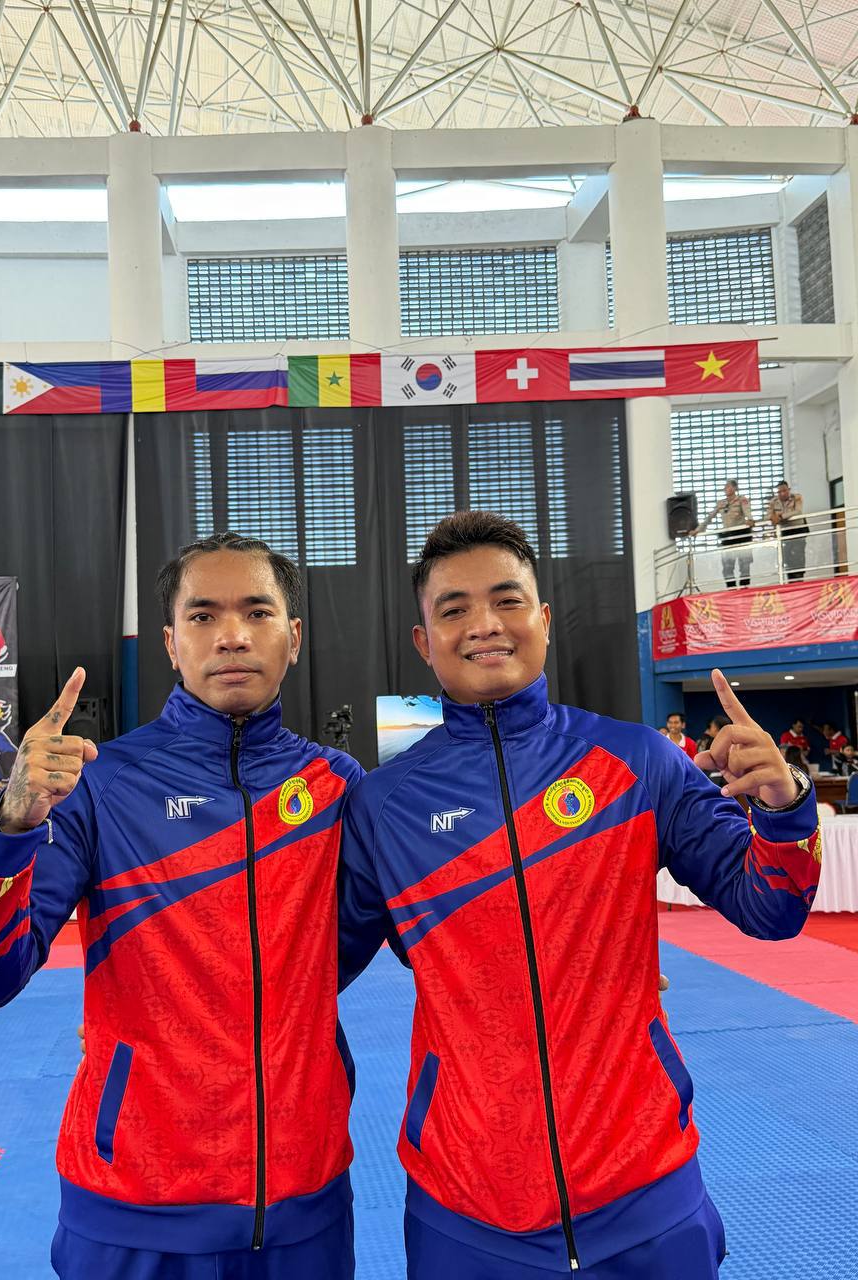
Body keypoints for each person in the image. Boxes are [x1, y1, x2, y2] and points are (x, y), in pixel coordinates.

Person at [339, 510, 820, 1280]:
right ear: (425, 642)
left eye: (507, 600)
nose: (484, 624)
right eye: (454, 609)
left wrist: (784, 807)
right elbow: (308, 968)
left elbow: (772, 908)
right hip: (466, 1208)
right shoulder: (382, 806)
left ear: (543, 619)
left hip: (648, 1192)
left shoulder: (637, 760)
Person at [0, 533, 361, 1280]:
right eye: (203, 616)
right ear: (170, 643)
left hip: (304, 1206)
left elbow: (398, 936)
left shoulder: (337, 788)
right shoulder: (99, 786)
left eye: (257, 612)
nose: (232, 635)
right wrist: (11, 824)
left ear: (293, 637)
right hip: (130, 1206)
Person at [689, 479, 754, 588]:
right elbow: (709, 517)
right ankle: (731, 589)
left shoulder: (741, 499)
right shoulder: (721, 503)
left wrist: (750, 520)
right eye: (725, 486)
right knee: (727, 566)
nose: (725, 488)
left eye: (728, 486)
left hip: (741, 535)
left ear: (735, 488)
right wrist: (698, 530)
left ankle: (744, 588)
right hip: (728, 537)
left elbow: (747, 512)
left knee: (744, 564)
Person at [766, 480, 808, 582]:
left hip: (798, 529)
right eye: (779, 492)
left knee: (798, 556)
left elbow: (798, 511)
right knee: (786, 557)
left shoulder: (796, 497)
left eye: (784, 491)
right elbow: (768, 516)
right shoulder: (773, 502)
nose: (782, 493)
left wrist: (781, 517)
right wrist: (773, 518)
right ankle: (791, 580)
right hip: (784, 531)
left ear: (789, 490)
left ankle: (799, 579)